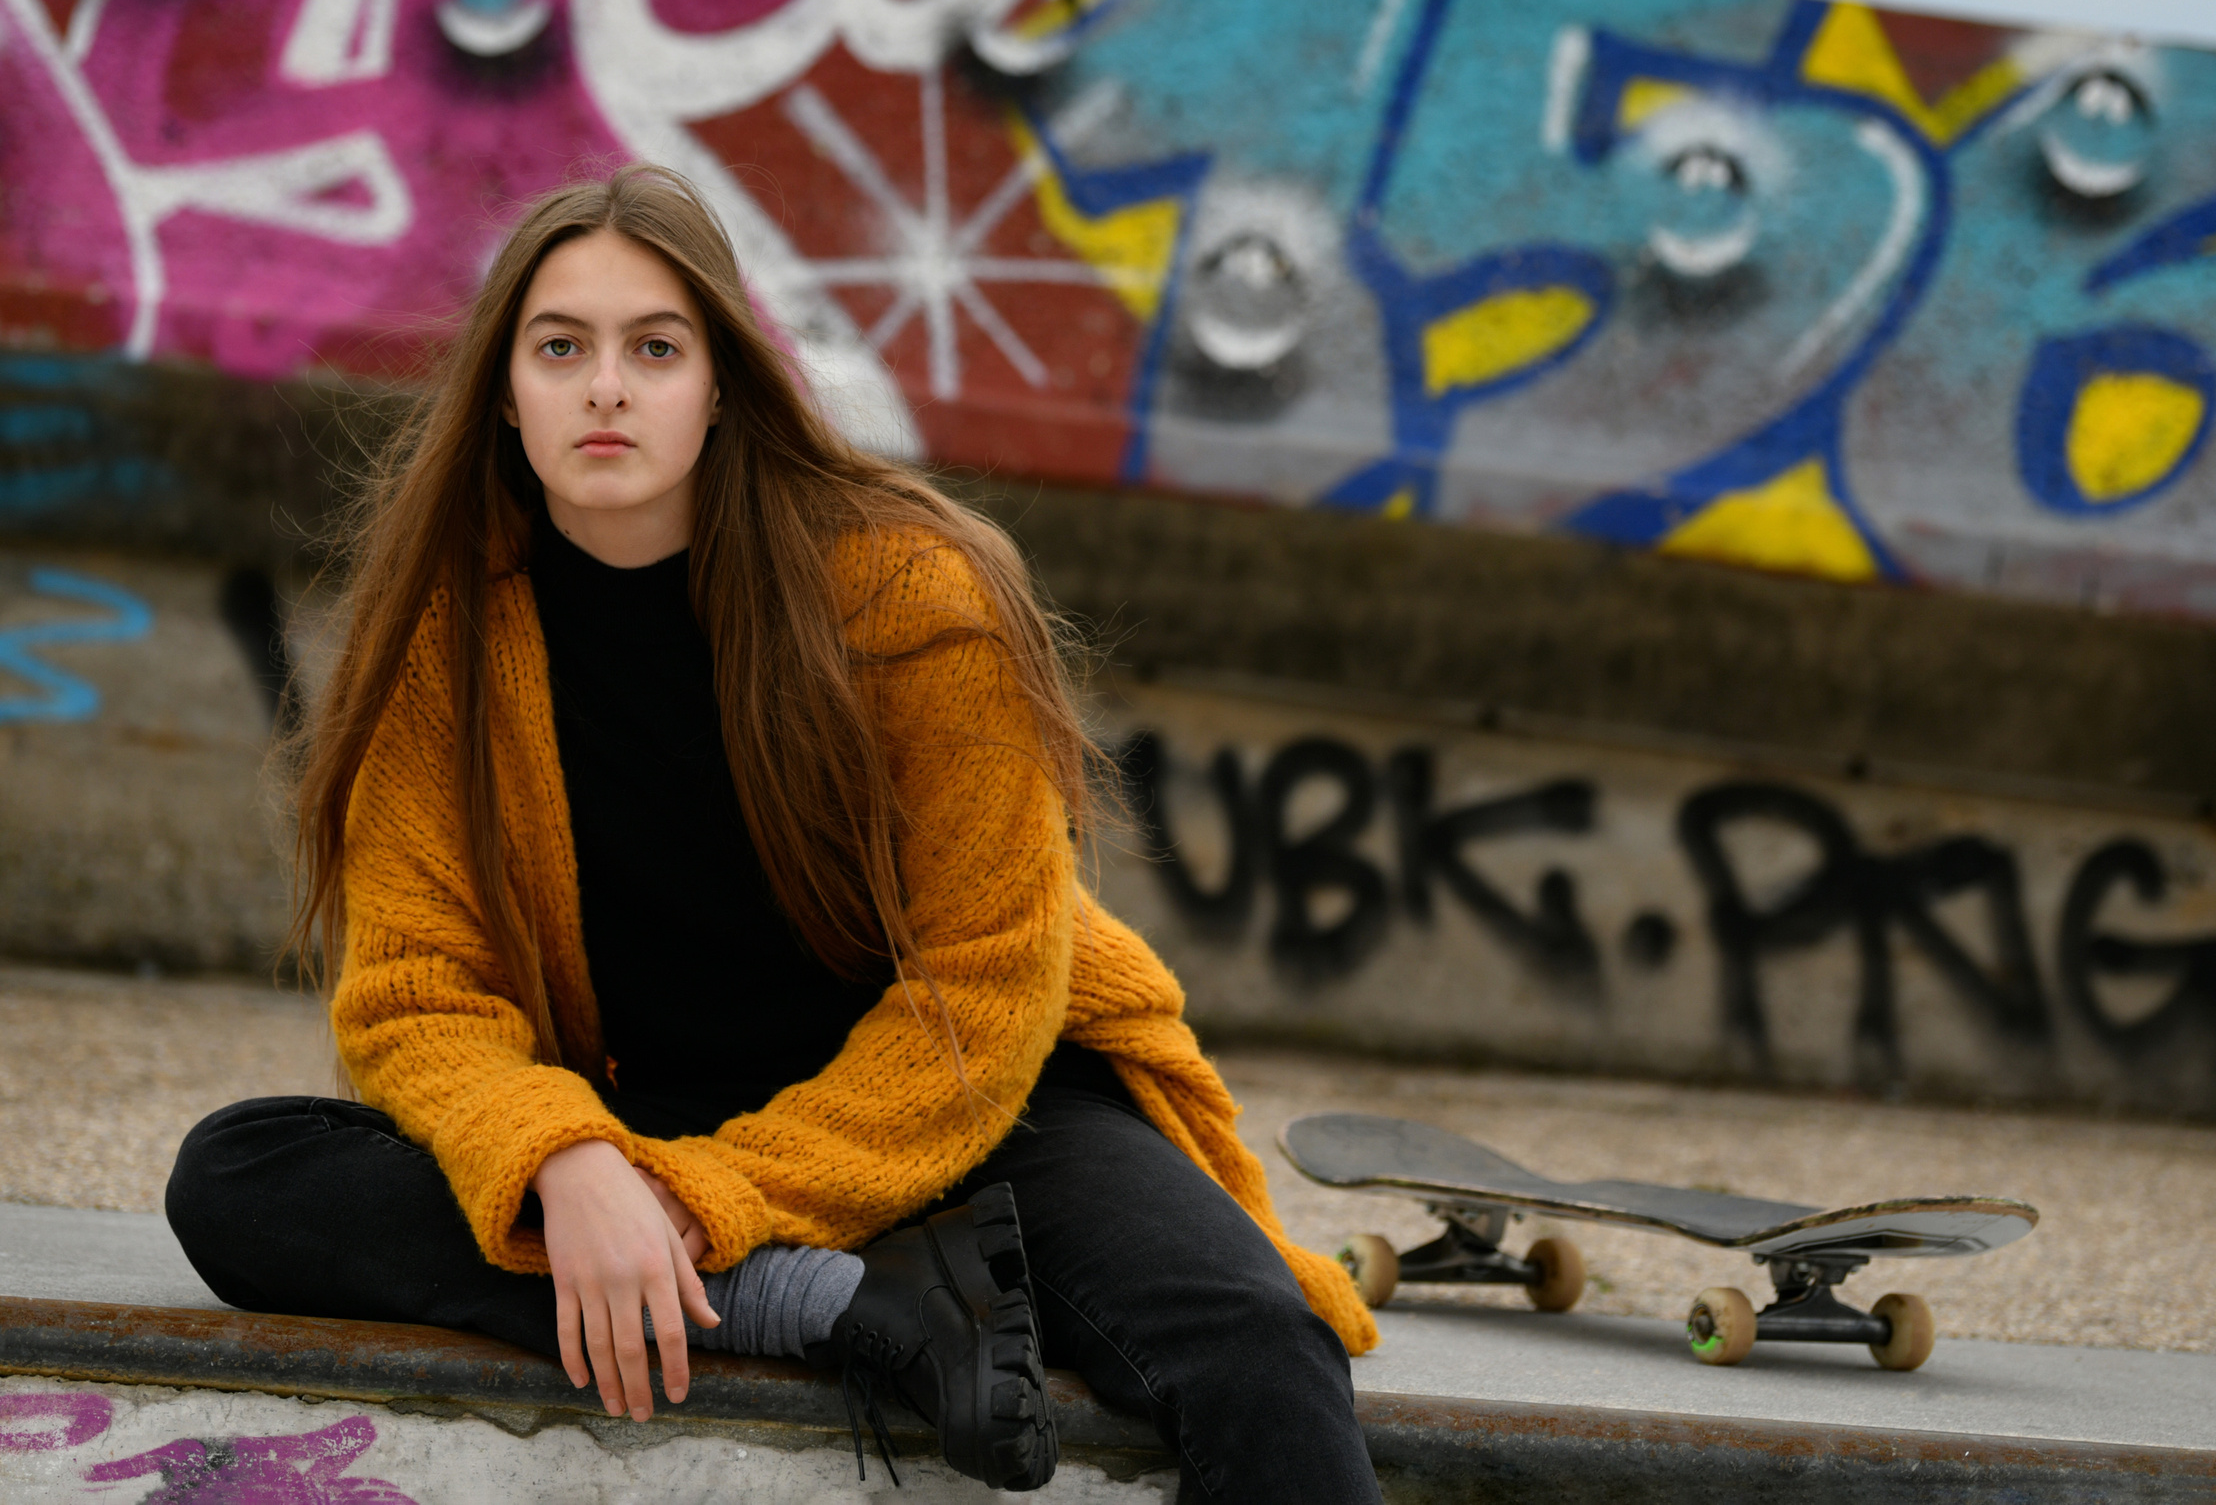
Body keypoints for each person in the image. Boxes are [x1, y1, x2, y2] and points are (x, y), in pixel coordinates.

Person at [165, 164, 1383, 1500]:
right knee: (241, 1177)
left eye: (656, 348)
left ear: (724, 385)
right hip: (658, 1116)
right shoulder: (446, 642)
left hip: (985, 1109)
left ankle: (770, 1276)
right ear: (506, 395)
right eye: (560, 347)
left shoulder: (912, 593)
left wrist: (697, 1207)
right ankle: (830, 1305)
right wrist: (564, 1158)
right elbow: (416, 993)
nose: (607, 387)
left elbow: (981, 989)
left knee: (1260, 1342)